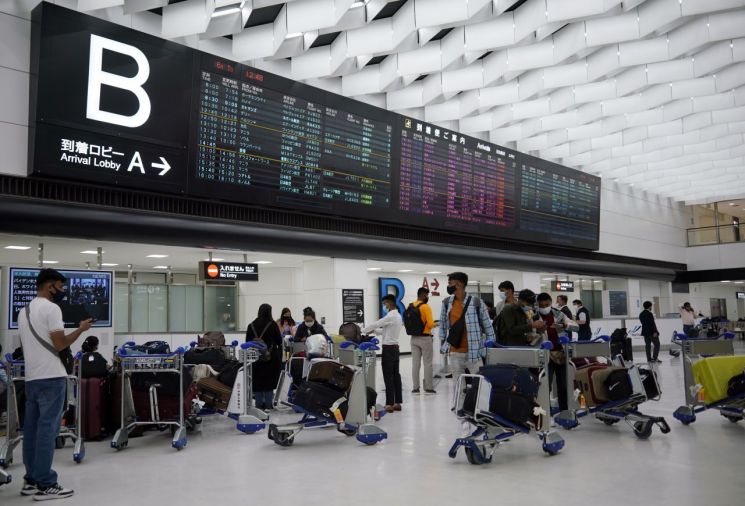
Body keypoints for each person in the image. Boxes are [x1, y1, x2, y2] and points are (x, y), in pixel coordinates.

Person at [17, 268, 92, 500]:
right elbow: (59, 344)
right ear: (49, 285)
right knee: (47, 431)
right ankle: (46, 483)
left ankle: (30, 479)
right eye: (60, 287)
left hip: (32, 378)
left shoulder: (24, 310)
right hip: (52, 376)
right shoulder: (51, 308)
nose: (62, 291)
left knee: (32, 430)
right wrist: (80, 330)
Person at [439, 272, 497, 381]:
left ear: (459, 284)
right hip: (455, 352)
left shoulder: (477, 303)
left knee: (480, 384)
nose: (449, 286)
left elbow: (488, 328)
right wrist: (443, 345)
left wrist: (486, 350)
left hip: (474, 352)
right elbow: (442, 324)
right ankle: (461, 399)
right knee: (458, 386)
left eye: (450, 283)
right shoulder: (447, 303)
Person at [363, 294, 404, 413]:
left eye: (385, 303)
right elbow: (384, 330)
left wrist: (362, 330)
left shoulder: (390, 316)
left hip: (388, 349)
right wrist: (374, 331)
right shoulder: (397, 316)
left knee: (388, 376)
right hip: (395, 349)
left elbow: (377, 323)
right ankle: (397, 402)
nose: (384, 306)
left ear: (390, 303)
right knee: (396, 375)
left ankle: (389, 404)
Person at [536, 293, 572, 412]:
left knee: (563, 385)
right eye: (541, 305)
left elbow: (575, 326)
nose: (544, 307)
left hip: (560, 354)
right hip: (545, 355)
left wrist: (563, 325)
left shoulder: (558, 313)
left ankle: (564, 411)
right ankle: (546, 412)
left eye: (546, 304)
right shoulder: (534, 315)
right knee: (546, 385)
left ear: (551, 302)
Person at [246, 304, 283, 409]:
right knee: (269, 382)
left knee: (257, 382)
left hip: (255, 358)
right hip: (270, 358)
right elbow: (279, 341)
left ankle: (258, 405)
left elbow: (247, 342)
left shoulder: (251, 325)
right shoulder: (273, 325)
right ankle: (268, 405)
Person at [408, 287, 436, 395]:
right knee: (427, 363)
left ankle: (415, 388)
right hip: (425, 338)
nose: (427, 297)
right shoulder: (425, 307)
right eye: (427, 295)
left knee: (415, 364)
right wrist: (435, 324)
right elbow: (430, 324)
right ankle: (429, 387)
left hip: (413, 338)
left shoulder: (410, 306)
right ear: (424, 295)